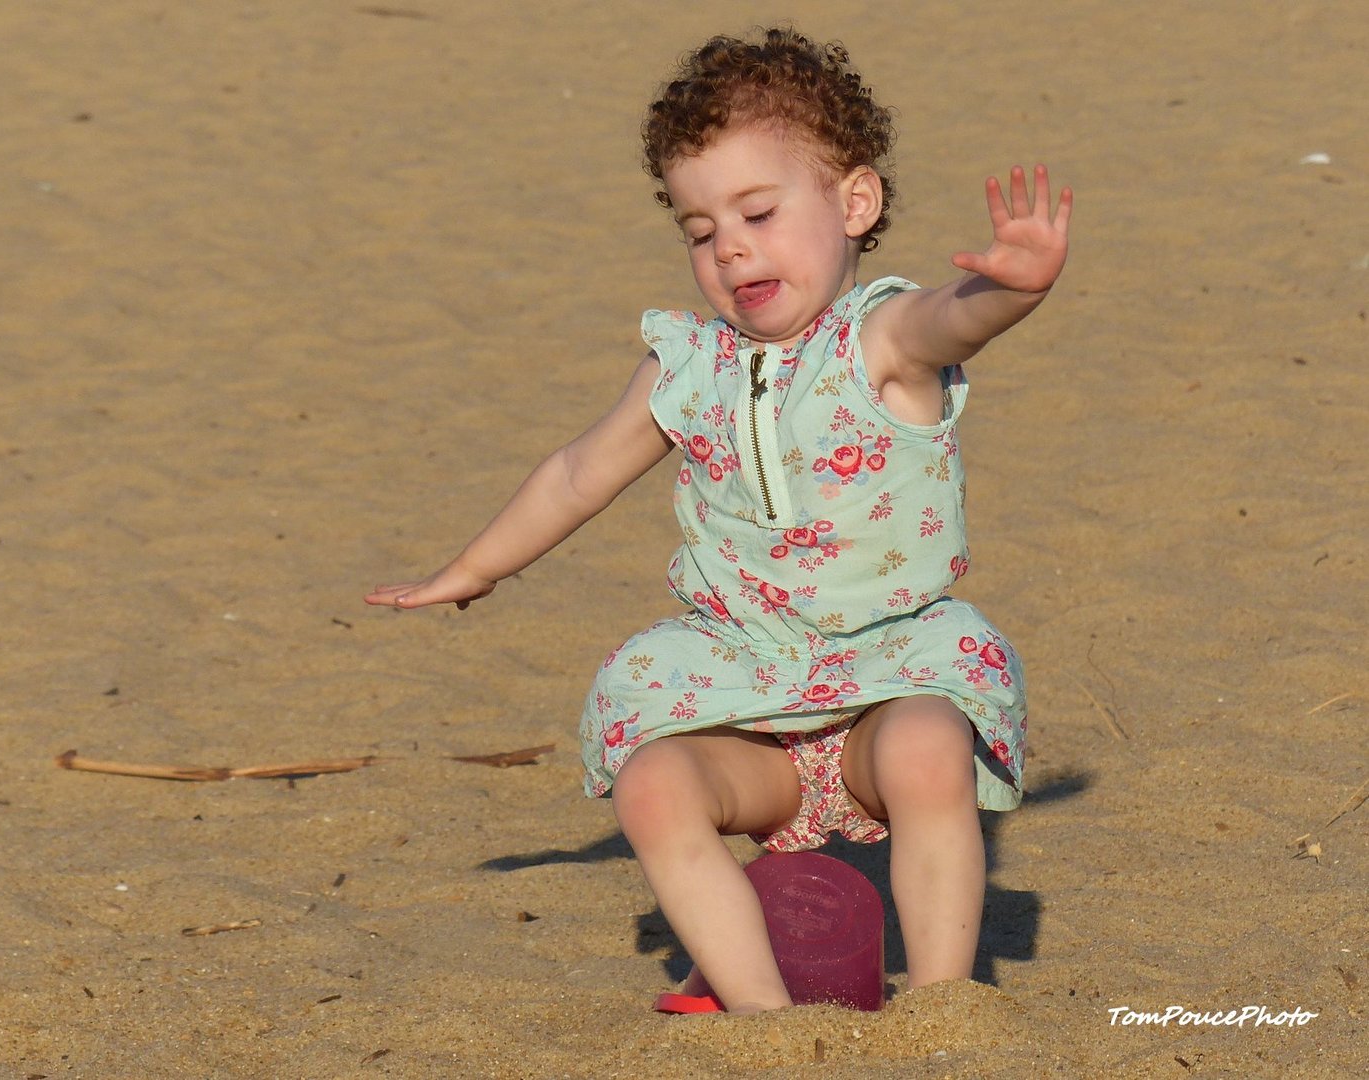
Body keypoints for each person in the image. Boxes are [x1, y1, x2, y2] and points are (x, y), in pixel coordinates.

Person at [366, 27, 1071, 1014]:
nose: (730, 245)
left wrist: (1014, 285)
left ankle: (946, 1006)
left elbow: (954, 320)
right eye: (700, 229)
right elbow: (577, 473)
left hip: (886, 682)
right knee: (652, 784)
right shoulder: (686, 367)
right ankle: (761, 1021)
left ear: (853, 203)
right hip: (743, 699)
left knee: (924, 751)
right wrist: (472, 569)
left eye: (757, 211)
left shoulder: (880, 341)